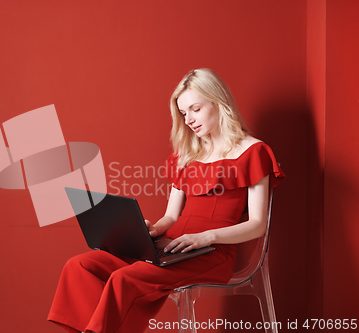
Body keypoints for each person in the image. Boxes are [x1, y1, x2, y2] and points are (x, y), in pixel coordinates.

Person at [47, 68, 285, 333]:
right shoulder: (186, 154)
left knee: (124, 278)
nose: (189, 120)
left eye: (195, 109)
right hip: (168, 246)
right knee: (79, 265)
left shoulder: (254, 151)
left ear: (219, 102)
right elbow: (171, 217)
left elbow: (257, 224)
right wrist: (149, 230)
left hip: (212, 253)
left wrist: (206, 237)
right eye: (184, 114)